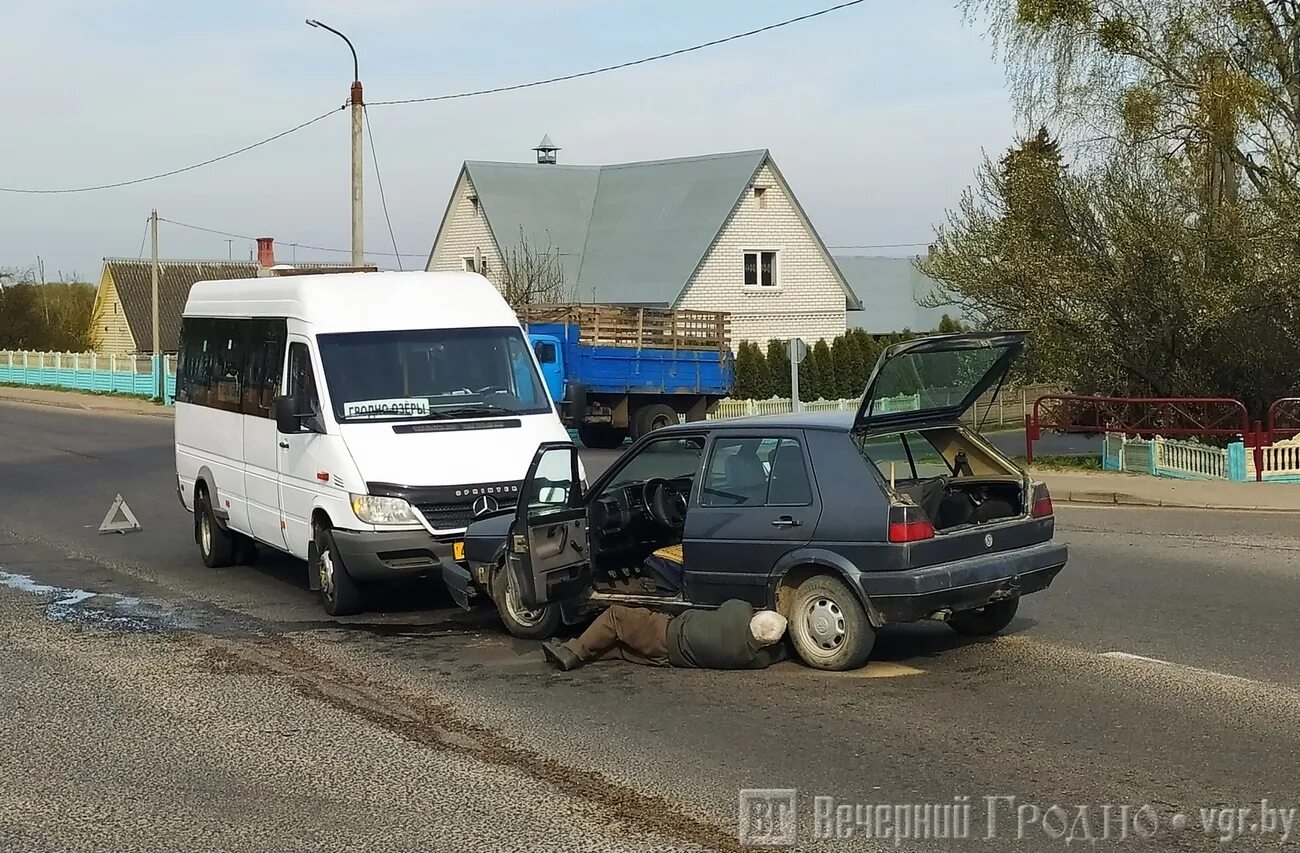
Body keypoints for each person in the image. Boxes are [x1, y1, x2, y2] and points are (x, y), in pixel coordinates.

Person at [541, 599, 788, 671]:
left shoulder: (738, 615)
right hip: (669, 659)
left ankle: (571, 652)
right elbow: (779, 653)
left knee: (616, 618)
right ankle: (581, 654)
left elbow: (738, 604)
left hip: (664, 631)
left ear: (755, 618)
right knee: (618, 648)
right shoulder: (753, 659)